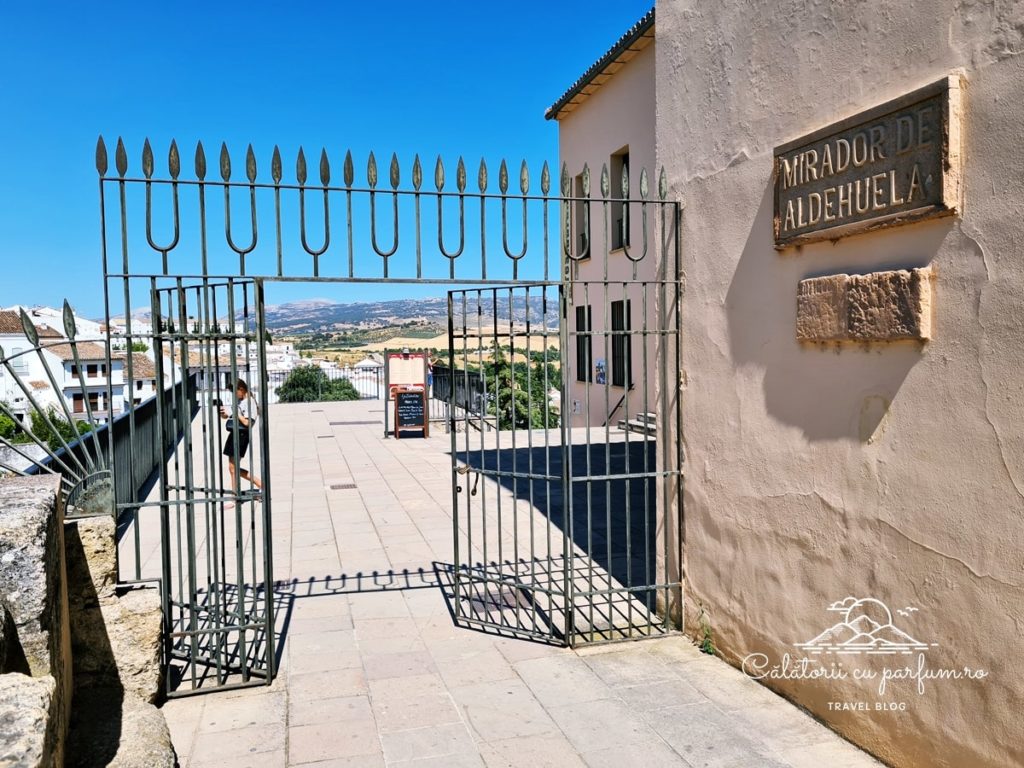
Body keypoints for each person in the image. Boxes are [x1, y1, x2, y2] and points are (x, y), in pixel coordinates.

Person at [221, 378, 262, 496]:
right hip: (234, 434)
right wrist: (224, 414)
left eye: (235, 392)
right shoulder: (240, 401)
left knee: (233, 468)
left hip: (241, 435)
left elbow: (248, 423)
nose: (234, 394)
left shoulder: (250, 402)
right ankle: (238, 493)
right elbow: (231, 416)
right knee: (232, 468)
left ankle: (237, 494)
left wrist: (236, 413)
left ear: (241, 389)